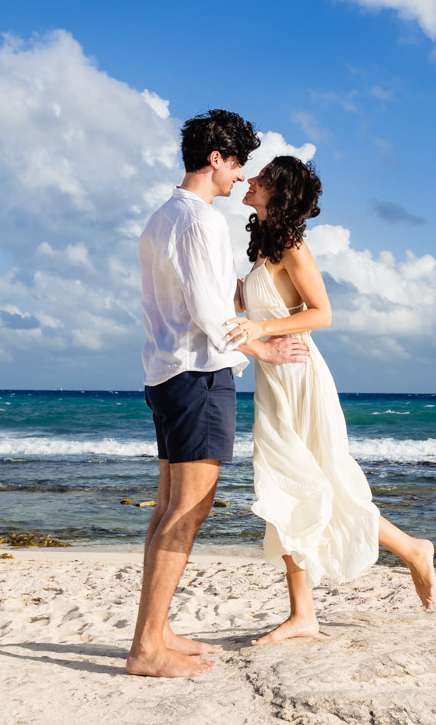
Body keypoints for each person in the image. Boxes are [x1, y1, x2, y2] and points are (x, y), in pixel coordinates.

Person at [127, 111, 309, 678]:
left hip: (163, 375)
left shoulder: (160, 219)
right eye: (237, 165)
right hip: (201, 375)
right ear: (215, 159)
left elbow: (194, 298)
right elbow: (210, 310)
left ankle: (155, 632)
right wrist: (264, 349)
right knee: (188, 509)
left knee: (167, 509)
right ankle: (146, 650)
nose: (239, 177)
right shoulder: (202, 222)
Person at [227, 156, 435, 646]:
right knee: (291, 490)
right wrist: (240, 305)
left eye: (260, 177)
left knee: (309, 485)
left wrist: (261, 326)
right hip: (274, 381)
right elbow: (265, 307)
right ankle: (309, 612)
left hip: (300, 378)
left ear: (276, 191)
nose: (250, 180)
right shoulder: (263, 247)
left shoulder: (293, 245)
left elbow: (322, 314)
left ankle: (409, 552)